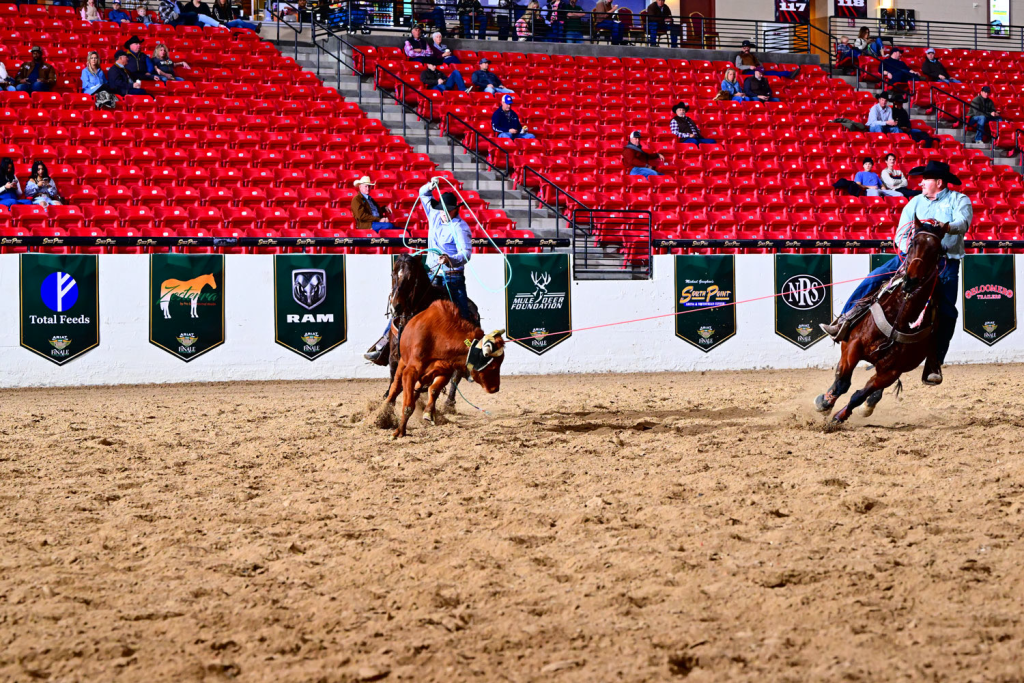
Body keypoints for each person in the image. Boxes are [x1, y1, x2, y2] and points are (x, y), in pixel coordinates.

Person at [822, 161, 971, 386]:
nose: (920, 183)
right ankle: (843, 321)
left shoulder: (959, 200)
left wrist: (946, 227)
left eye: (926, 179)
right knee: (873, 278)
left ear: (939, 183)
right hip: (910, 260)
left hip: (944, 263)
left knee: (948, 313)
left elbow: (964, 223)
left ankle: (934, 362)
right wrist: (908, 255)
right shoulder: (914, 202)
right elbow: (901, 235)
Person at [362, 178, 477, 364]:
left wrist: (450, 259)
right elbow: (423, 194)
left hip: (452, 277)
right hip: (432, 274)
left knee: (462, 316)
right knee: (403, 304)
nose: (444, 214)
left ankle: (470, 351)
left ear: (456, 210)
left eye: (448, 211)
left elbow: (466, 254)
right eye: (443, 210)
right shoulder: (434, 215)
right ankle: (384, 344)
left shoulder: (460, 227)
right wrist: (429, 186)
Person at [734, 40, 799, 79]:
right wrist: (749, 67)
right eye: (745, 48)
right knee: (771, 74)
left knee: (773, 72)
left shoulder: (752, 56)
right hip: (748, 72)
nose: (746, 49)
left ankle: (789, 73)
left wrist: (759, 66)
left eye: (747, 48)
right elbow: (738, 66)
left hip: (757, 70)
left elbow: (759, 63)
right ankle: (789, 74)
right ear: (742, 48)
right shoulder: (739, 56)